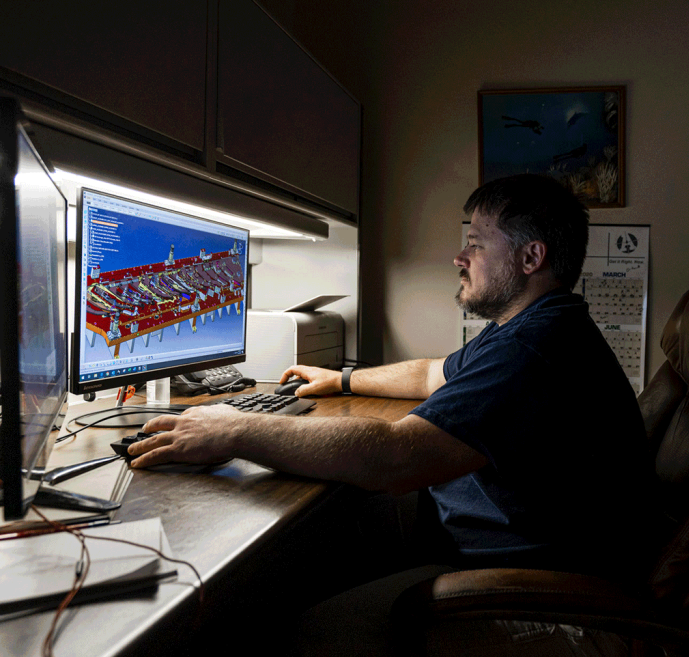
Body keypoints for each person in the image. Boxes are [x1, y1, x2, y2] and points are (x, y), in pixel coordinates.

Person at [131, 174, 651, 654]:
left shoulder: (532, 349)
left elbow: (394, 458)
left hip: (548, 598)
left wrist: (234, 429)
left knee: (315, 631)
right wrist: (341, 380)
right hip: (493, 545)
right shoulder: (535, 326)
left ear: (531, 257)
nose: (460, 256)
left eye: (476, 243)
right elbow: (430, 375)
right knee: (317, 543)